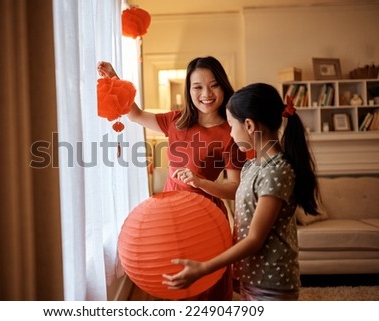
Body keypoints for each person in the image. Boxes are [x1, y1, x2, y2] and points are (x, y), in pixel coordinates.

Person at [98, 57, 247, 300]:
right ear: (189, 90)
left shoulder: (231, 132)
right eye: (197, 86)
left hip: (205, 220)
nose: (206, 93)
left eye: (214, 85)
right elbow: (135, 115)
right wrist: (114, 80)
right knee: (176, 284)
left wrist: (200, 182)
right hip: (169, 218)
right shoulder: (176, 120)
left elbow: (235, 187)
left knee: (207, 289)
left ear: (223, 86)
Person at [163, 83, 320, 301]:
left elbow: (255, 239)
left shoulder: (277, 172)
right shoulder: (251, 166)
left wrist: (204, 268)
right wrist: (200, 182)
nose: (230, 133)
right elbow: (236, 196)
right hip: (251, 276)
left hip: (271, 281)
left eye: (230, 125)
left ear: (248, 125)